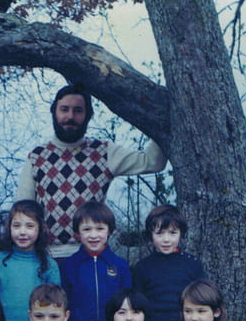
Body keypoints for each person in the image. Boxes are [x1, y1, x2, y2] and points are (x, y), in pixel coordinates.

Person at [15, 83, 167, 259]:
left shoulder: (103, 152)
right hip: (46, 258)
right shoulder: (38, 157)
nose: (70, 116)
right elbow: (23, 210)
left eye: (78, 110)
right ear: (54, 112)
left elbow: (152, 162)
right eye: (64, 109)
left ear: (87, 115)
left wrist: (161, 120)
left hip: (91, 255)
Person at [0, 200, 60, 321]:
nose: (22, 232)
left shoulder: (49, 265)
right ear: (9, 228)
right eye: (17, 226)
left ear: (40, 229)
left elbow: (56, 307)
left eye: (30, 226)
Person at [60, 201, 131, 321]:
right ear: (78, 232)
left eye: (100, 229)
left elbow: (128, 301)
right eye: (87, 229)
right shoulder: (69, 265)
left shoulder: (120, 265)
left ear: (109, 231)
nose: (93, 235)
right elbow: (63, 302)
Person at [132, 204, 206, 321]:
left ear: (181, 233)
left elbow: (203, 300)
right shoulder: (142, 267)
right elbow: (138, 304)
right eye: (159, 233)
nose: (166, 239)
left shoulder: (192, 264)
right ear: (150, 234)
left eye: (172, 233)